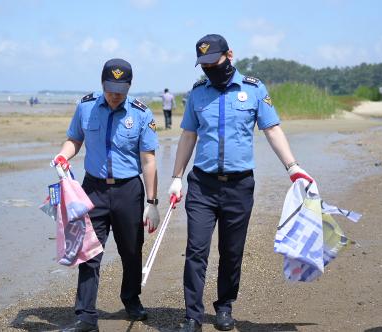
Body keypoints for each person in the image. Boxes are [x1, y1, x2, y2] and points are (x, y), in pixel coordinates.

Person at [168, 34, 315, 332]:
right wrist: (176, 178)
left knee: (231, 251)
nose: (209, 68)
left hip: (239, 186)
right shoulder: (197, 94)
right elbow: (187, 136)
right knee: (196, 249)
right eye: (204, 65)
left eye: (214, 62)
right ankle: (192, 316)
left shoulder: (254, 89)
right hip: (202, 186)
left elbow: (272, 130)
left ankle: (224, 307)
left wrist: (293, 167)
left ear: (230, 55)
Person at [53, 58, 160, 332]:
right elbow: (74, 139)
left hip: (129, 191)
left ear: (129, 86)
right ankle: (86, 316)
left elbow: (148, 160)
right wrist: (64, 156)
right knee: (89, 253)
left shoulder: (141, 113)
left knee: (131, 251)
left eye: (121, 89)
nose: (115, 95)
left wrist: (152, 203)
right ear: (102, 84)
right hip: (93, 190)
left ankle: (131, 299)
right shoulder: (86, 106)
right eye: (111, 88)